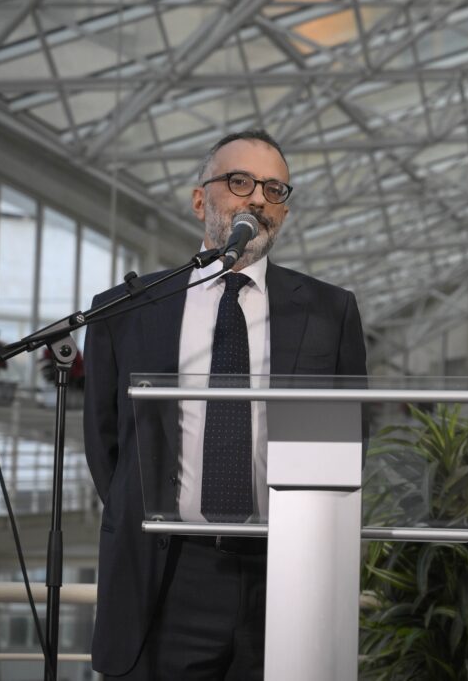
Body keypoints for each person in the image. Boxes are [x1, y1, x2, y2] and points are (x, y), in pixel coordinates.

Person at [83, 129, 367, 679]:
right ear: (200, 200)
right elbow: (107, 446)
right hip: (166, 575)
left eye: (275, 190)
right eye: (240, 182)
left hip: (287, 572)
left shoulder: (331, 312)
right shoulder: (127, 311)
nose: (258, 199)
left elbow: (352, 439)